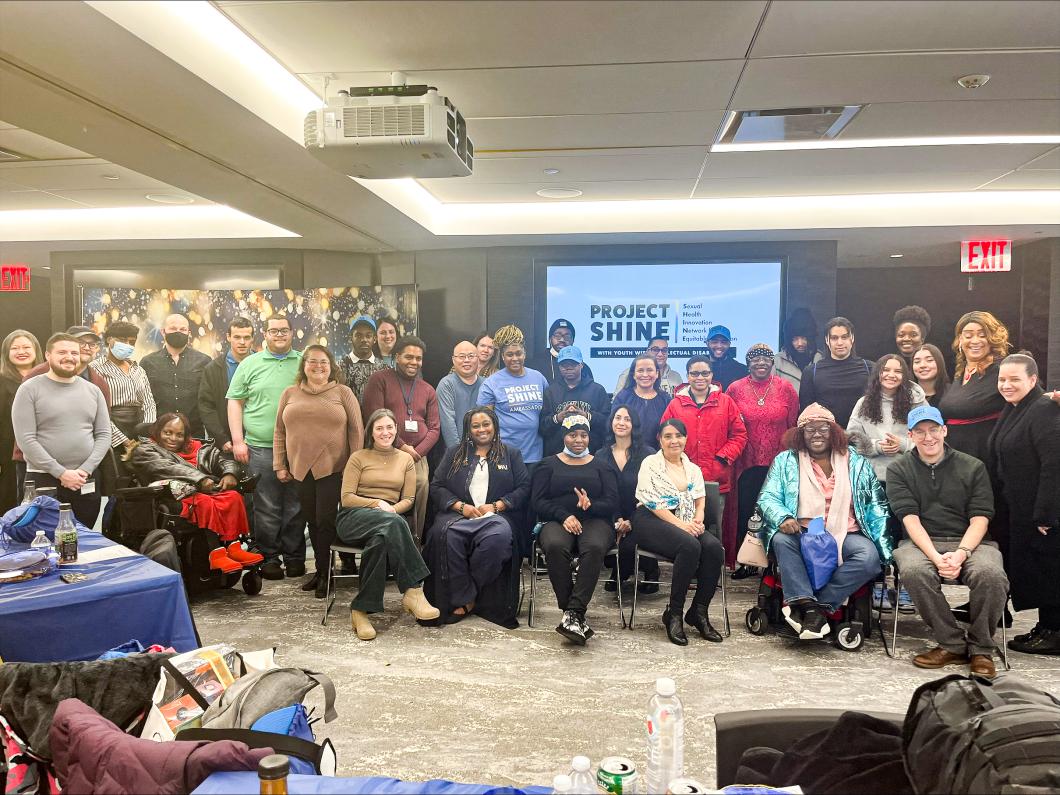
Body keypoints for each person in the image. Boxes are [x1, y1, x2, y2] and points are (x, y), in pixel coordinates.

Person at [888, 405, 1007, 678]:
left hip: (973, 541)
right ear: (910, 435)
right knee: (914, 571)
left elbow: (981, 518)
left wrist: (961, 554)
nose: (928, 437)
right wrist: (935, 556)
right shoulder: (899, 469)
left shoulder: (973, 466)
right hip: (920, 541)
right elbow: (909, 519)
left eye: (933, 430)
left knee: (991, 574)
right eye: (920, 432)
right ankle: (952, 643)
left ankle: (981, 649)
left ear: (944, 430)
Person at [756, 404, 891, 641]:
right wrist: (783, 517)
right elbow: (768, 496)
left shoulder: (856, 463)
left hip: (846, 531)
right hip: (803, 529)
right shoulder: (786, 461)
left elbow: (877, 506)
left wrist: (884, 549)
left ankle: (816, 609)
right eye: (809, 430)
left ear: (834, 432)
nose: (816, 434)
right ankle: (804, 602)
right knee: (781, 540)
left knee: (869, 559)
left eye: (823, 429)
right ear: (800, 434)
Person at [335, 408, 440, 641]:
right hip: (354, 518)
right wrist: (377, 503)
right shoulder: (358, 457)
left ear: (396, 430)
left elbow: (409, 500)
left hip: (388, 520)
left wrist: (392, 509)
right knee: (393, 525)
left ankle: (360, 610)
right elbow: (347, 498)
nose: (385, 432)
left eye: (389, 427)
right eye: (379, 428)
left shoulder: (406, 459)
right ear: (371, 432)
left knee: (380, 541)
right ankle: (413, 590)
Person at [424, 406, 530, 625]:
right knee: (445, 536)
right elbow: (437, 486)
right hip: (459, 515)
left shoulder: (511, 453)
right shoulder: (454, 453)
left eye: (486, 424)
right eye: (476, 425)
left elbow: (523, 487)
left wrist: (498, 505)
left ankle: (468, 597)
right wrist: (459, 506)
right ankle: (466, 598)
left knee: (498, 539)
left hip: (495, 517)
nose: (482, 429)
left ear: (494, 426)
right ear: (468, 430)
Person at [274, 345, 363, 598]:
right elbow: (279, 431)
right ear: (304, 366)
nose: (318, 366)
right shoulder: (289, 393)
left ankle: (328, 574)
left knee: (326, 520)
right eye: (312, 361)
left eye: (323, 362)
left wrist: (354, 467)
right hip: (300, 468)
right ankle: (321, 569)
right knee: (311, 520)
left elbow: (357, 431)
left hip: (335, 468)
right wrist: (279, 464)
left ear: (331, 366)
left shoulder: (343, 393)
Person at [988, 353, 1060, 655]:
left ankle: (1055, 633)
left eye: (1014, 379)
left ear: (1033, 380)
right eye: (1002, 379)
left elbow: (1053, 464)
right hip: (1021, 506)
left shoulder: (1043, 409)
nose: (1006, 385)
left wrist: (1047, 513)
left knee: (1050, 571)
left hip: (1041, 510)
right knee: (1038, 570)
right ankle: (1045, 628)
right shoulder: (1016, 408)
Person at [632, 417, 726, 645]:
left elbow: (700, 501)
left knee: (714, 548)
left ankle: (698, 612)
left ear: (685, 438)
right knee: (689, 545)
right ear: (660, 440)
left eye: (678, 436)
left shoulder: (692, 468)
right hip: (650, 519)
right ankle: (674, 614)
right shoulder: (650, 464)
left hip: (686, 520)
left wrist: (698, 521)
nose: (674, 441)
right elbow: (653, 503)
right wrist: (684, 526)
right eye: (668, 436)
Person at [128, 412, 261, 572]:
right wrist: (200, 479)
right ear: (158, 431)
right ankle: (216, 554)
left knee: (233, 496)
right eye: (167, 433)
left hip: (206, 489)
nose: (172, 438)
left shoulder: (199, 447)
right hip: (173, 495)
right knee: (204, 502)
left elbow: (222, 458)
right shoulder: (145, 449)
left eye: (179, 435)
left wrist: (229, 473)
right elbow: (168, 468)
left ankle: (234, 547)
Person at [226, 314, 304, 580]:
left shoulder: (305, 362)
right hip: (260, 446)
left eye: (284, 330)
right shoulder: (250, 364)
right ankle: (269, 558)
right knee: (266, 505)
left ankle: (295, 558)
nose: (279, 335)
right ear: (265, 334)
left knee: (296, 505)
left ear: (293, 333)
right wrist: (238, 440)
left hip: (298, 448)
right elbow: (235, 401)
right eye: (274, 331)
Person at [532, 415, 619, 644]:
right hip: (558, 521)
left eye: (583, 435)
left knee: (594, 547)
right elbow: (537, 501)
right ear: (564, 436)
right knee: (554, 546)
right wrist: (564, 515)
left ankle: (573, 612)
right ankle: (572, 612)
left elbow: (612, 502)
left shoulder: (602, 466)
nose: (578, 439)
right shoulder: (547, 464)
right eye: (573, 434)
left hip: (596, 521)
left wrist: (591, 505)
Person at [12, 333, 110, 527]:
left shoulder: (93, 391)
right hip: (43, 479)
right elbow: (26, 439)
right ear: (48, 356)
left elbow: (104, 435)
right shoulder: (29, 389)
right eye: (62, 352)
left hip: (84, 479)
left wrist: (85, 470)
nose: (69, 357)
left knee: (83, 539)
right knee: (43, 539)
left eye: (74, 352)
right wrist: (61, 473)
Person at [726, 344, 799, 576]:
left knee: (774, 509)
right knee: (747, 510)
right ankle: (747, 559)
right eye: (755, 359)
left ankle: (773, 559)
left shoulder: (786, 388)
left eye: (766, 359)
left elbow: (793, 425)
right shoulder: (735, 389)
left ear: (772, 363)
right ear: (748, 364)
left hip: (776, 461)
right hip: (746, 461)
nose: (761, 363)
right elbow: (728, 424)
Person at [361, 336, 440, 540]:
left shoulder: (427, 389)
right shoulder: (379, 380)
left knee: (421, 483)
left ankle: (414, 542)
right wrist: (402, 447)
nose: (414, 362)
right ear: (397, 357)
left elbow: (434, 428)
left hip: (417, 456)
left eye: (418, 358)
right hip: (385, 453)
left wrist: (416, 453)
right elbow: (374, 417)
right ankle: (384, 540)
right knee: (387, 489)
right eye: (409, 357)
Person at [660, 357, 747, 541]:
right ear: (687, 375)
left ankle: (712, 570)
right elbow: (664, 436)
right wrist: (678, 462)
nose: (700, 377)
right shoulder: (675, 404)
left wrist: (723, 458)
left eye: (705, 373)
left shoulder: (726, 402)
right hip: (683, 480)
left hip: (716, 478)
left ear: (712, 375)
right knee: (685, 530)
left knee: (714, 532)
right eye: (695, 373)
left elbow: (739, 435)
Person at [597, 405, 656, 592]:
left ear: (634, 425)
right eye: (618, 418)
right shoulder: (600, 455)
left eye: (627, 419)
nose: (621, 423)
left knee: (632, 541)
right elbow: (600, 492)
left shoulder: (648, 454)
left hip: (643, 513)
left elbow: (653, 493)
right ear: (611, 421)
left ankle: (650, 571)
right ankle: (618, 569)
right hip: (611, 513)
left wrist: (631, 520)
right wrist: (617, 519)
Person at [938, 310, 1010, 463]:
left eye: (982, 335)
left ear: (993, 338)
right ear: (960, 340)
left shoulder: (1003, 370)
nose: (975, 341)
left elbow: (1030, 398)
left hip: (984, 460)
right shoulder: (960, 373)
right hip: (954, 459)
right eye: (968, 335)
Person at [847, 355, 927, 484]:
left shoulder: (917, 402)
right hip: (872, 478)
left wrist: (903, 445)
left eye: (898, 371)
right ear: (878, 373)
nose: (891, 375)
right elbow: (851, 439)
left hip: (909, 476)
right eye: (886, 370)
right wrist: (877, 446)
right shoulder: (863, 403)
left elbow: (930, 437)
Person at [478, 326, 548, 466]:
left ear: (525, 354)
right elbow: (485, 422)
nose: (515, 358)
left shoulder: (538, 378)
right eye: (510, 355)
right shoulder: (491, 383)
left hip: (535, 455)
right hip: (504, 455)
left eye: (518, 353)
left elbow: (547, 412)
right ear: (503, 357)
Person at [90, 321, 156, 455]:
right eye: (122, 340)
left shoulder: (138, 369)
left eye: (131, 342)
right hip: (110, 429)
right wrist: (123, 440)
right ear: (109, 339)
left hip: (141, 430)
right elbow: (97, 410)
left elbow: (149, 403)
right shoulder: (95, 368)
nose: (127, 345)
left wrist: (148, 432)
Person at [141, 314, 212, 438]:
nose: (178, 332)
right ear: (163, 332)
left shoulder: (204, 361)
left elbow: (209, 399)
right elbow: (142, 399)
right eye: (173, 328)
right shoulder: (148, 362)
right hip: (159, 435)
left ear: (189, 333)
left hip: (193, 435)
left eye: (183, 329)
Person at [798, 316, 873, 427]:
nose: (840, 342)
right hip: (826, 437)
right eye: (834, 338)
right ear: (827, 340)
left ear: (852, 338)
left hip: (861, 437)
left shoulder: (870, 368)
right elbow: (806, 413)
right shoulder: (811, 372)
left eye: (844, 337)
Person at [539, 346, 610, 456]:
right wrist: (558, 418)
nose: (568, 368)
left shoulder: (597, 390)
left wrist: (586, 415)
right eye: (564, 365)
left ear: (581, 365)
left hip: (591, 456)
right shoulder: (551, 392)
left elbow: (608, 423)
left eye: (573, 364)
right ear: (559, 367)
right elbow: (542, 427)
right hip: (558, 456)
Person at [198, 316, 255, 451]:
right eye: (237, 337)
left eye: (247, 337)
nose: (242, 342)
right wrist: (221, 439)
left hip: (259, 442)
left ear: (253, 338)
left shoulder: (264, 365)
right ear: (228, 337)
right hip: (226, 442)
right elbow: (206, 407)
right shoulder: (213, 368)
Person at [0, 330, 42, 510]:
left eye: (26, 347)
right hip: (8, 453)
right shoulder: (2, 381)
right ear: (7, 353)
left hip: (43, 451)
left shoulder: (47, 378)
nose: (21, 351)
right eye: (15, 348)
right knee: (13, 502)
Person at [611, 353, 672, 450]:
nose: (645, 374)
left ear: (657, 373)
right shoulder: (623, 397)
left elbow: (670, 430)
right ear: (633, 375)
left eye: (649, 370)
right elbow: (613, 427)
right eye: (640, 370)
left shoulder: (665, 399)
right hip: (627, 455)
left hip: (658, 456)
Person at [436, 341, 483, 449]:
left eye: (471, 356)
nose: (466, 360)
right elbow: (448, 423)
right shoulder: (446, 384)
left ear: (478, 358)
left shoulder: (486, 385)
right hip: (456, 452)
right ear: (453, 360)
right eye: (461, 356)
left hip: (483, 450)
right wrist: (458, 453)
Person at [339, 316, 387, 402]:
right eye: (358, 335)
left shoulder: (384, 369)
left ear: (375, 339)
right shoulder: (339, 367)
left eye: (368, 336)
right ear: (351, 338)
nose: (364, 340)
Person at [613, 337, 684, 395]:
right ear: (647, 351)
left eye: (664, 350)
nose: (660, 354)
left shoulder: (676, 377)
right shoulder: (629, 374)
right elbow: (617, 403)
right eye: (655, 349)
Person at [775, 308, 821, 391]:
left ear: (810, 337)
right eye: (795, 339)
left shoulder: (820, 360)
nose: (800, 343)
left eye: (804, 338)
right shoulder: (777, 361)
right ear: (789, 339)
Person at [704, 325, 748, 390]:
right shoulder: (697, 368)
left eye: (723, 342)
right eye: (715, 342)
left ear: (729, 344)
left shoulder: (741, 370)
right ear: (707, 343)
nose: (719, 346)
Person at [911, 343, 950, 409]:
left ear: (939, 363)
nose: (922, 365)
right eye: (917, 362)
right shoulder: (906, 395)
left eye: (929, 360)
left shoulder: (951, 393)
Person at [893, 305, 932, 370]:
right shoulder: (888, 366)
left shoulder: (930, 367)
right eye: (901, 335)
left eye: (913, 335)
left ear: (922, 339)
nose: (906, 339)